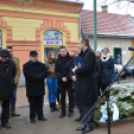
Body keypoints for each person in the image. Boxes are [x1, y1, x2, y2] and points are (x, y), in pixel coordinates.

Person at [72, 37, 97, 134]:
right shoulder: (83, 53)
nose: (78, 45)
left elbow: (87, 67)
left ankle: (90, 125)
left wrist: (76, 71)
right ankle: (85, 123)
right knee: (83, 104)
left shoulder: (90, 53)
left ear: (84, 44)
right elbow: (80, 64)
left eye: (79, 43)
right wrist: (76, 68)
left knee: (88, 104)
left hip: (88, 84)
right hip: (82, 83)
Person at [23, 51, 48, 123]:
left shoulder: (42, 65)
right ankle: (32, 117)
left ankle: (40, 116)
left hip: (40, 87)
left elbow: (45, 73)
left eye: (35, 56)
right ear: (30, 57)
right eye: (33, 57)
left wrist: (38, 77)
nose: (34, 58)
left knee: (40, 103)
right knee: (32, 103)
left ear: (38, 56)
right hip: (31, 87)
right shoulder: (26, 65)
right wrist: (38, 77)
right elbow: (27, 75)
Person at [55, 46, 74, 118]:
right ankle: (63, 111)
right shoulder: (58, 60)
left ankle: (70, 111)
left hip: (69, 81)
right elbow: (56, 70)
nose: (63, 53)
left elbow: (72, 69)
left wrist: (67, 77)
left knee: (70, 96)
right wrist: (61, 77)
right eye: (61, 51)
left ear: (66, 51)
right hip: (61, 81)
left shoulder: (71, 59)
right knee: (62, 97)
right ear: (59, 52)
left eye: (64, 51)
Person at [0, 49, 16, 128]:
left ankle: (4, 122)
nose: (4, 59)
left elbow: (14, 73)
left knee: (6, 106)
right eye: (2, 57)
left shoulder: (11, 63)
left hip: (7, 88)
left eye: (5, 57)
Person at [70, 44, 83, 122]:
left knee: (83, 100)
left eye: (78, 48)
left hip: (82, 82)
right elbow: (71, 69)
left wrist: (77, 76)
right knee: (77, 100)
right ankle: (81, 115)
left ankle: (84, 116)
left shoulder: (85, 59)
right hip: (75, 83)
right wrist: (72, 76)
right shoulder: (75, 59)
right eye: (77, 48)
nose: (77, 50)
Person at [6, 45, 20, 116]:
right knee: (6, 96)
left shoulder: (16, 59)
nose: (10, 53)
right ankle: (6, 110)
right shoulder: (3, 58)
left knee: (13, 96)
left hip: (14, 81)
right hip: (5, 82)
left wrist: (17, 78)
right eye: (8, 51)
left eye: (11, 51)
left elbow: (18, 69)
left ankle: (13, 110)